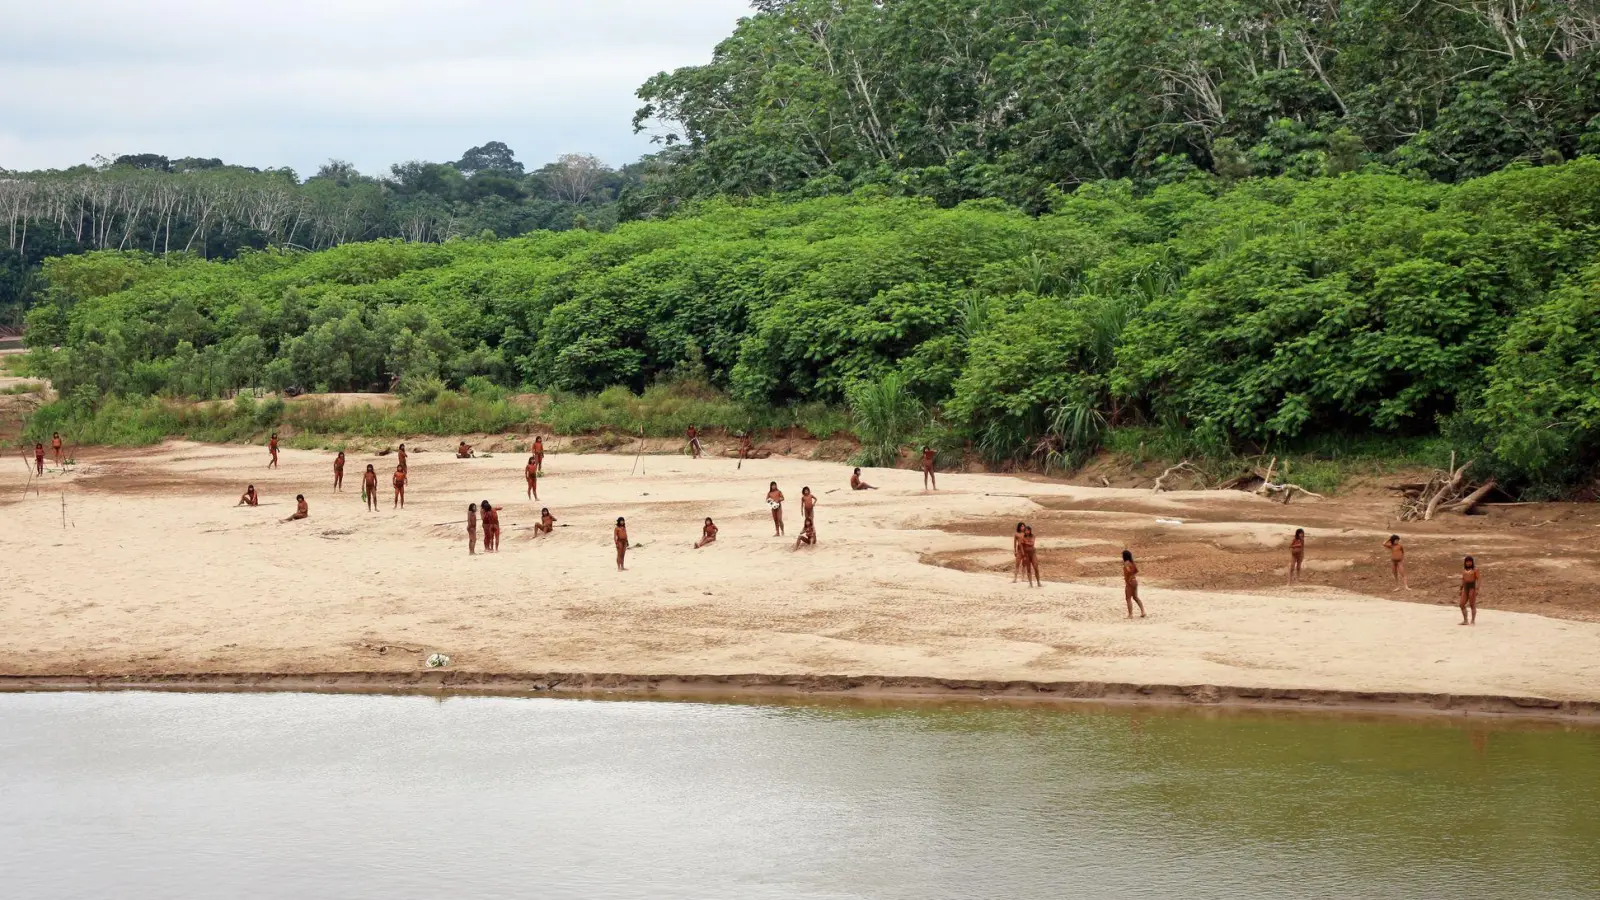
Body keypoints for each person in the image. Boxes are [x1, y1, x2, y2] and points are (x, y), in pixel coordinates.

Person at [1122, 550, 1146, 618]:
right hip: (1135, 581)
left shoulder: (1126, 563)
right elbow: (1136, 571)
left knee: (1128, 598)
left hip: (1130, 582)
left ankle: (1130, 614)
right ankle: (1143, 611)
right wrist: (1132, 576)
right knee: (1135, 597)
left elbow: (1128, 571)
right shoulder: (1132, 563)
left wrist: (1128, 579)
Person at [1459, 556, 1480, 626]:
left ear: (1472, 562)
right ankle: (1465, 620)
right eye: (1467, 562)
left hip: (1472, 588)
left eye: (1470, 561)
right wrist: (1460, 588)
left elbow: (1479, 579)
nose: (1468, 563)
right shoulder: (1464, 570)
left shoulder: (1475, 570)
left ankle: (1473, 620)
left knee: (1472, 605)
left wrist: (1477, 589)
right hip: (1465, 588)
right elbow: (1463, 579)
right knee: (1461, 604)